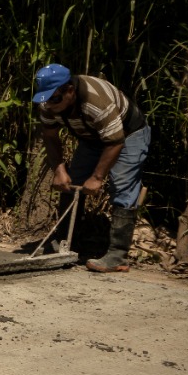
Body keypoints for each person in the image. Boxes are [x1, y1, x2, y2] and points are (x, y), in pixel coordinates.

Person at [33, 63, 151, 273]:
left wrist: (97, 177)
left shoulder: (96, 102)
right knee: (72, 181)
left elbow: (115, 141)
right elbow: (50, 136)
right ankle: (65, 241)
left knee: (122, 185)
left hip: (127, 134)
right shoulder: (47, 103)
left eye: (55, 99)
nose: (49, 105)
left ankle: (117, 255)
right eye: (46, 99)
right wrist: (59, 169)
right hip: (93, 137)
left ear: (69, 90)